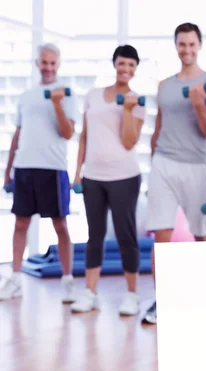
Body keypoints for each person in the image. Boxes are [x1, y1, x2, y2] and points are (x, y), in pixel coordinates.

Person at [142, 22, 206, 324]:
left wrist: (198, 104)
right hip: (164, 163)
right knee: (160, 238)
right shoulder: (164, 85)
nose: (186, 50)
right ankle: (161, 301)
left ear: (199, 46)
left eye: (192, 44)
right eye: (182, 44)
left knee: (202, 234)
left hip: (197, 166)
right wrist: (154, 164)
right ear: (176, 46)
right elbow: (159, 127)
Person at [69, 45, 146, 315]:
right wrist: (77, 171)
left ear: (136, 69)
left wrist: (126, 110)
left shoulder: (136, 102)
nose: (125, 69)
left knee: (126, 235)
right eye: (122, 63)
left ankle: (132, 295)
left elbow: (128, 142)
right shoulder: (93, 96)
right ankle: (90, 292)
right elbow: (85, 136)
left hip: (124, 176)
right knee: (94, 235)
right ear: (114, 64)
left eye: (131, 65)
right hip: (93, 177)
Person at [1, 43, 77, 303]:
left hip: (53, 168)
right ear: (37, 63)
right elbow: (18, 133)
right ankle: (16, 280)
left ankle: (68, 281)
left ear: (58, 65)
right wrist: (8, 169)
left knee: (60, 226)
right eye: (44, 62)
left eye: (52, 63)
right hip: (24, 167)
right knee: (21, 223)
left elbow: (67, 133)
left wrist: (57, 104)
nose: (48, 67)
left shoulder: (67, 94)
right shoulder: (26, 96)